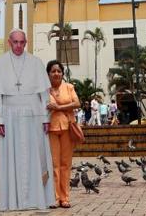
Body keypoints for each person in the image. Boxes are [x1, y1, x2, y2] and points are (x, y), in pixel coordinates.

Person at [0, 29, 55, 211]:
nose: (18, 45)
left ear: (26, 43)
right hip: (9, 116)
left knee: (36, 156)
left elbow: (44, 95)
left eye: (21, 42)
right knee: (12, 157)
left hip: (34, 116)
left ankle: (37, 199)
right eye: (15, 42)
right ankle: (12, 201)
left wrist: (45, 118)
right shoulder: (0, 64)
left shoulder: (36, 63)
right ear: (9, 42)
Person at [46, 60, 81, 209]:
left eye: (59, 71)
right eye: (53, 71)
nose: (56, 74)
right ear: (48, 73)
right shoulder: (44, 89)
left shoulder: (69, 87)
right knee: (53, 165)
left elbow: (77, 103)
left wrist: (59, 107)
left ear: (62, 73)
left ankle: (65, 197)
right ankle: (55, 197)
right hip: (51, 128)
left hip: (67, 127)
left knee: (66, 164)